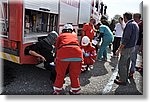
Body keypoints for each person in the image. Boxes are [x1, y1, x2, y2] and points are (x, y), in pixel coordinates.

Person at [53, 24, 83, 95]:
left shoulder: (61, 35)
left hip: (63, 54)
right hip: (77, 54)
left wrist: (55, 57)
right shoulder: (74, 35)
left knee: (60, 74)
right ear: (71, 30)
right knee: (74, 75)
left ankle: (57, 90)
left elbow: (56, 47)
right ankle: (75, 90)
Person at [114, 12, 139, 85]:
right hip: (132, 47)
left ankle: (122, 80)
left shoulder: (129, 25)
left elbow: (126, 38)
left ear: (125, 17)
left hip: (127, 47)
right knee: (127, 63)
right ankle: (124, 77)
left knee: (121, 64)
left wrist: (119, 49)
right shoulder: (135, 24)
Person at [129, 13, 143, 78]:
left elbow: (142, 36)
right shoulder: (137, 24)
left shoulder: (140, 25)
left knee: (133, 58)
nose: (133, 18)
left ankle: (131, 72)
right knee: (131, 58)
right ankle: (130, 71)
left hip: (136, 44)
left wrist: (141, 46)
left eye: (135, 17)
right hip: (135, 43)